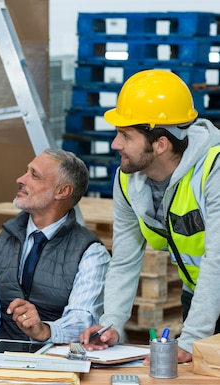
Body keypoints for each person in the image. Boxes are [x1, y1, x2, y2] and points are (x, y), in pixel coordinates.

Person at [80, 69, 220, 362]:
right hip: (199, 296)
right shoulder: (127, 179)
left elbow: (217, 259)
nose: (115, 144)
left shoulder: (214, 170)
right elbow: (125, 259)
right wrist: (112, 321)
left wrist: (192, 338)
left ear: (160, 144)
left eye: (125, 135)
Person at [0, 149, 110, 343]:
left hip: (57, 363)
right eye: (26, 171)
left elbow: (83, 321)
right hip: (0, 359)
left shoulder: (91, 254)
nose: (20, 179)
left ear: (62, 191)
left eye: (34, 175)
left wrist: (45, 331)